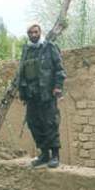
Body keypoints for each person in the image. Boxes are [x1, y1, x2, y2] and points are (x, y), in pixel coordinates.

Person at [18, 23, 66, 169]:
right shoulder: (26, 50)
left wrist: (58, 87)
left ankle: (55, 155)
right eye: (31, 33)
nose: (33, 35)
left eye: (36, 32)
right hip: (32, 95)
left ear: (40, 32)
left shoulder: (49, 47)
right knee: (34, 123)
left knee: (50, 123)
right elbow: (22, 71)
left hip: (46, 93)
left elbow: (59, 69)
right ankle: (44, 154)